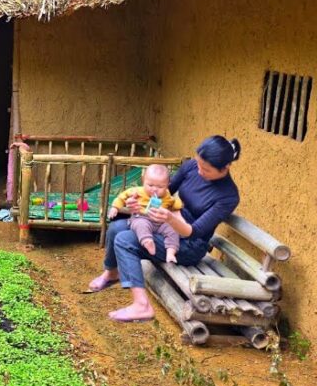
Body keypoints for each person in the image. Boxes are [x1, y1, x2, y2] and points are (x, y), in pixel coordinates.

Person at [87, 135, 241, 323]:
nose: (199, 170)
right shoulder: (193, 166)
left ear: (225, 168)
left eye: (206, 169)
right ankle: (112, 272)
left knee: (125, 240)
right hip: (166, 224)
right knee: (117, 227)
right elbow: (163, 191)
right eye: (199, 164)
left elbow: (194, 231)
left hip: (188, 244)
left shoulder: (228, 196)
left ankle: (141, 306)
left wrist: (170, 217)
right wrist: (139, 204)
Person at [108, 164, 184, 263]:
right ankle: (147, 241)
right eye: (150, 185)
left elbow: (175, 204)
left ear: (167, 185)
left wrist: (181, 205)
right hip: (142, 217)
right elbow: (122, 197)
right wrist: (115, 207)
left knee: (172, 230)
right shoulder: (138, 191)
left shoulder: (167, 195)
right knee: (141, 225)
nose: (154, 189)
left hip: (161, 222)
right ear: (143, 181)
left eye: (160, 186)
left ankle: (171, 252)